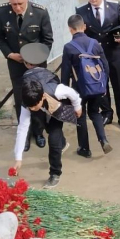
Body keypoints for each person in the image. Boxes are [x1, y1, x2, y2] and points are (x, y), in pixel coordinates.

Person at [13, 43, 81, 189]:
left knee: (54, 140)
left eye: (34, 106)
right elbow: (22, 128)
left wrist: (77, 107)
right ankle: (62, 143)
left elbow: (73, 94)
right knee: (46, 127)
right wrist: (18, 158)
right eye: (30, 107)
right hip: (43, 110)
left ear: (42, 97)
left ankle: (55, 174)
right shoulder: (27, 101)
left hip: (56, 107)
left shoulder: (56, 90)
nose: (32, 109)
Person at [0, 0, 53, 150]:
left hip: (37, 65)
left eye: (20, 4)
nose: (17, 8)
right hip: (16, 64)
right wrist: (10, 55)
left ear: (26, 0)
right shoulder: (2, 12)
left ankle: (39, 132)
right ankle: (25, 135)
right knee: (21, 100)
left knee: (38, 98)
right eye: (14, 4)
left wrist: (35, 59)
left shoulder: (40, 13)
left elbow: (47, 40)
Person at [76, 0, 120, 131]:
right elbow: (80, 33)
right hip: (94, 57)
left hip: (113, 53)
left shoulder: (114, 6)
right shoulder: (81, 11)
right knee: (101, 86)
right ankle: (107, 113)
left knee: (119, 85)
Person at [61, 14, 112, 158]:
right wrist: (103, 85)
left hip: (80, 89)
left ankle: (84, 148)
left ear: (70, 29)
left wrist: (65, 93)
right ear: (84, 27)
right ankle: (103, 140)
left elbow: (65, 73)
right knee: (95, 113)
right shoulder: (95, 43)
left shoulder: (69, 47)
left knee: (80, 116)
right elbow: (105, 66)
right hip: (96, 85)